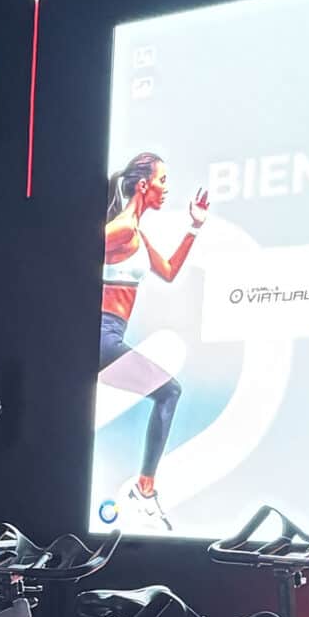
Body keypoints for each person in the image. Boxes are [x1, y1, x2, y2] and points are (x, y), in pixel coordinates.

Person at [99, 150, 208, 530]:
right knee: (169, 392)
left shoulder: (137, 234)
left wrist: (194, 227)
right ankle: (144, 491)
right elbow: (71, 253)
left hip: (109, 334)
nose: (166, 188)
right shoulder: (122, 229)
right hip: (99, 333)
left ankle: (143, 491)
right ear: (144, 185)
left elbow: (170, 271)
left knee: (168, 393)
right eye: (163, 181)